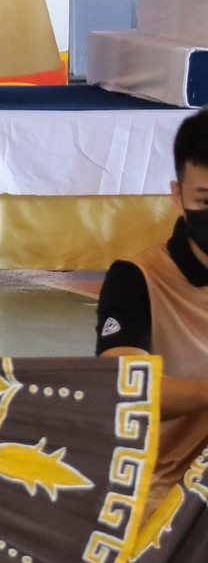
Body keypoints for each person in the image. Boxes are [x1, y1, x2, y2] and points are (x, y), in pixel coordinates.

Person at [97, 109, 208, 492]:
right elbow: (127, 389)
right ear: (178, 197)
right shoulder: (136, 278)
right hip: (167, 488)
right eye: (205, 201)